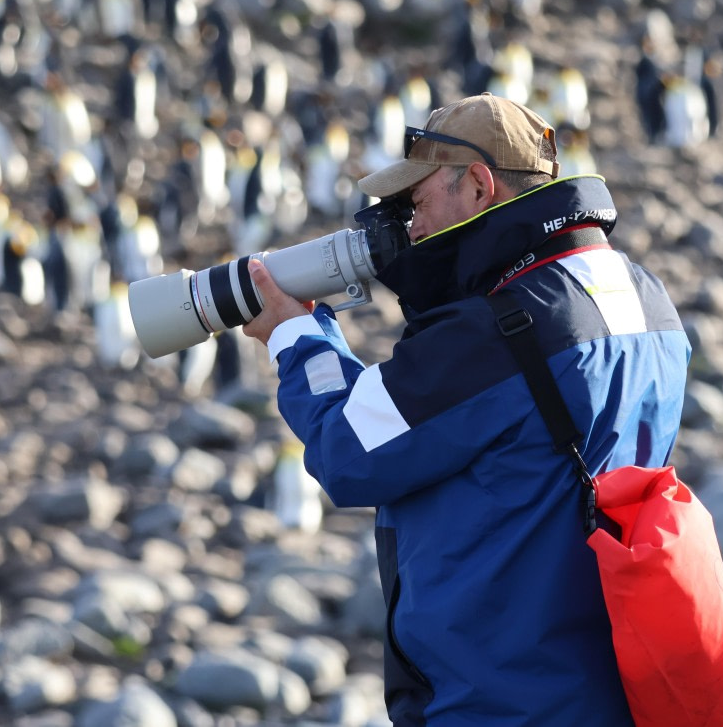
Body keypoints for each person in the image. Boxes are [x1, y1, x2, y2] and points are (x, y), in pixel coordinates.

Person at [242, 93, 691, 725]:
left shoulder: (496, 331)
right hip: (611, 685)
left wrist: (297, 338)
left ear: (478, 186)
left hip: (495, 697)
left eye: (418, 203)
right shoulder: (648, 299)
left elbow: (347, 450)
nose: (411, 228)